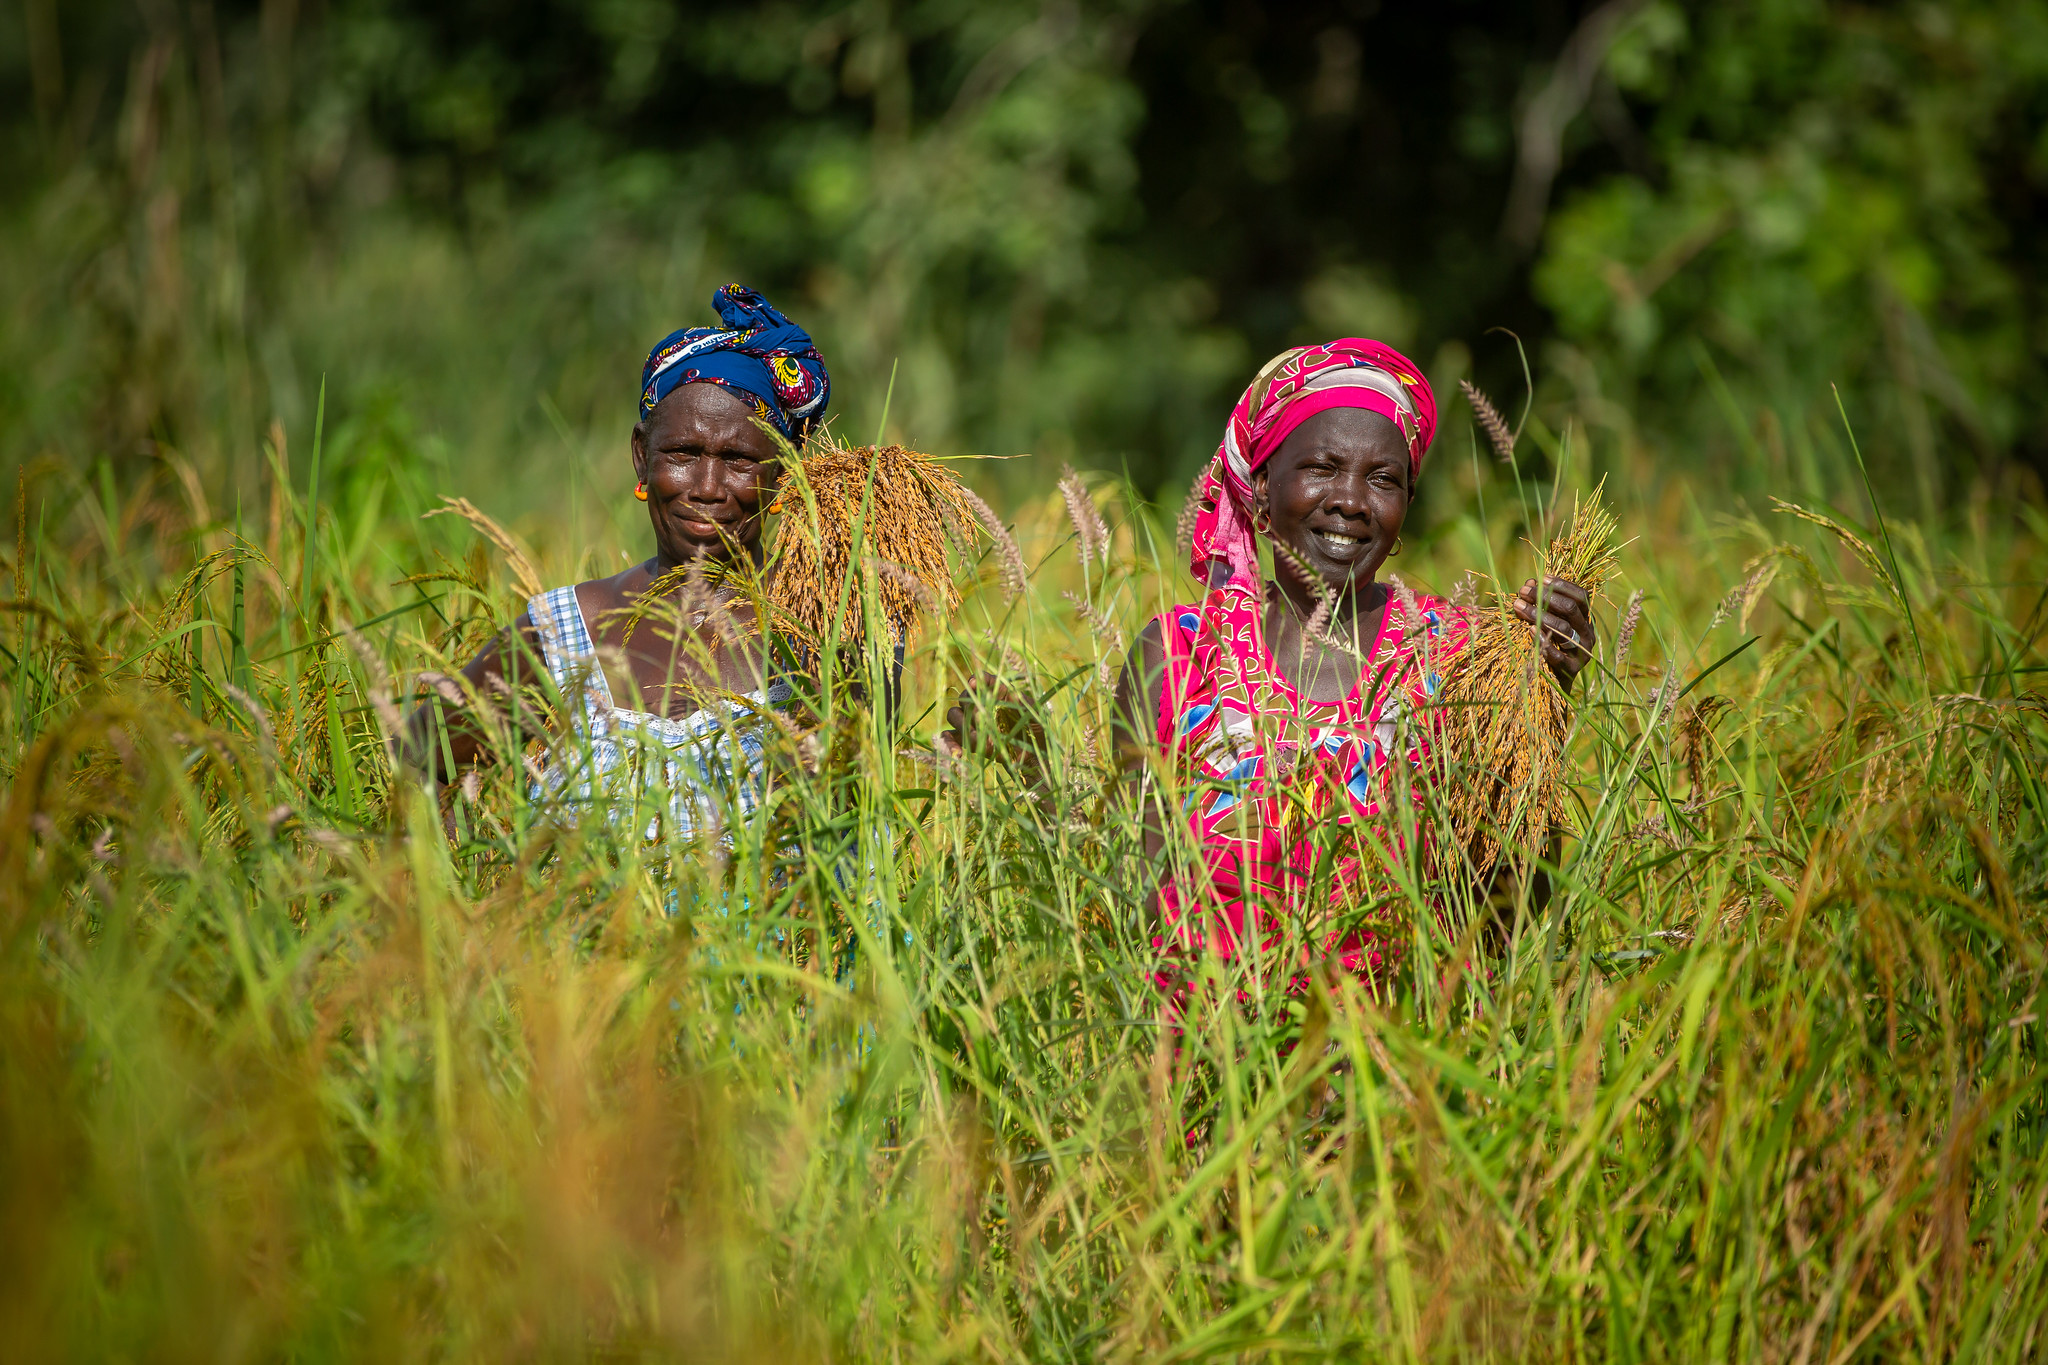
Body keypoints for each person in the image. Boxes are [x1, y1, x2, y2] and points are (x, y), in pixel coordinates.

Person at [945, 339, 1596, 992]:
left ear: (1405, 507)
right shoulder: (1176, 657)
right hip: (1204, 1060)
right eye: (1322, 466)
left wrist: (1541, 708)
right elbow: (1128, 903)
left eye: (1383, 478)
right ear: (1261, 488)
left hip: (1396, 1063)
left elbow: (1507, 919)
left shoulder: (1457, 657)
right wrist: (1027, 773)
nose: (1351, 500)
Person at [402, 284, 832, 839]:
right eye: (682, 455)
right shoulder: (568, 628)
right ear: (641, 457)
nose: (706, 487)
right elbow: (421, 753)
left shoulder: (820, 624)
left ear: (784, 473)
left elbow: (868, 780)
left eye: (739, 460)